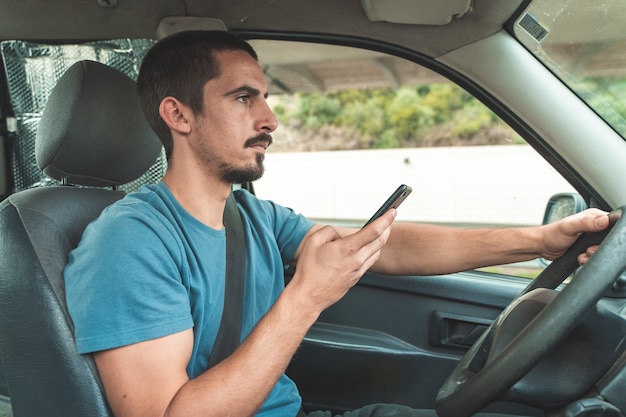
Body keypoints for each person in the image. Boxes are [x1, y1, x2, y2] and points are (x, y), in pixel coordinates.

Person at [64, 30, 609, 417]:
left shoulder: (250, 214)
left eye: (266, 98)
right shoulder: (129, 241)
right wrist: (304, 297)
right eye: (242, 98)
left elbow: (379, 247)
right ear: (178, 115)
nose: (270, 119)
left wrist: (538, 241)